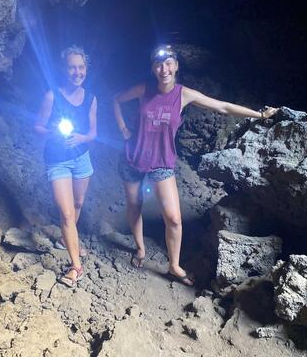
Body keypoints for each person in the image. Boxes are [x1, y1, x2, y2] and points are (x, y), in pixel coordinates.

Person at [113, 44, 278, 286]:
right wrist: (123, 129)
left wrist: (260, 115)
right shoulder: (144, 89)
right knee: (134, 205)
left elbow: (222, 107)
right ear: (153, 68)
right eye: (158, 65)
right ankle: (140, 248)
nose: (164, 69)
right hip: (133, 158)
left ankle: (174, 265)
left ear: (176, 66)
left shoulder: (184, 94)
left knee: (174, 219)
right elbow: (116, 99)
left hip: (161, 162)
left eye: (168, 63)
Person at [35, 45, 97, 287]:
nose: (77, 72)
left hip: (81, 158)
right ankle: (76, 266)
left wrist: (82, 138)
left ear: (86, 69)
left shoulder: (91, 98)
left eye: (81, 67)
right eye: (72, 67)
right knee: (67, 212)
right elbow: (37, 127)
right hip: (57, 161)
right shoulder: (51, 96)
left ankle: (65, 240)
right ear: (64, 69)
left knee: (78, 203)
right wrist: (52, 131)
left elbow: (93, 133)